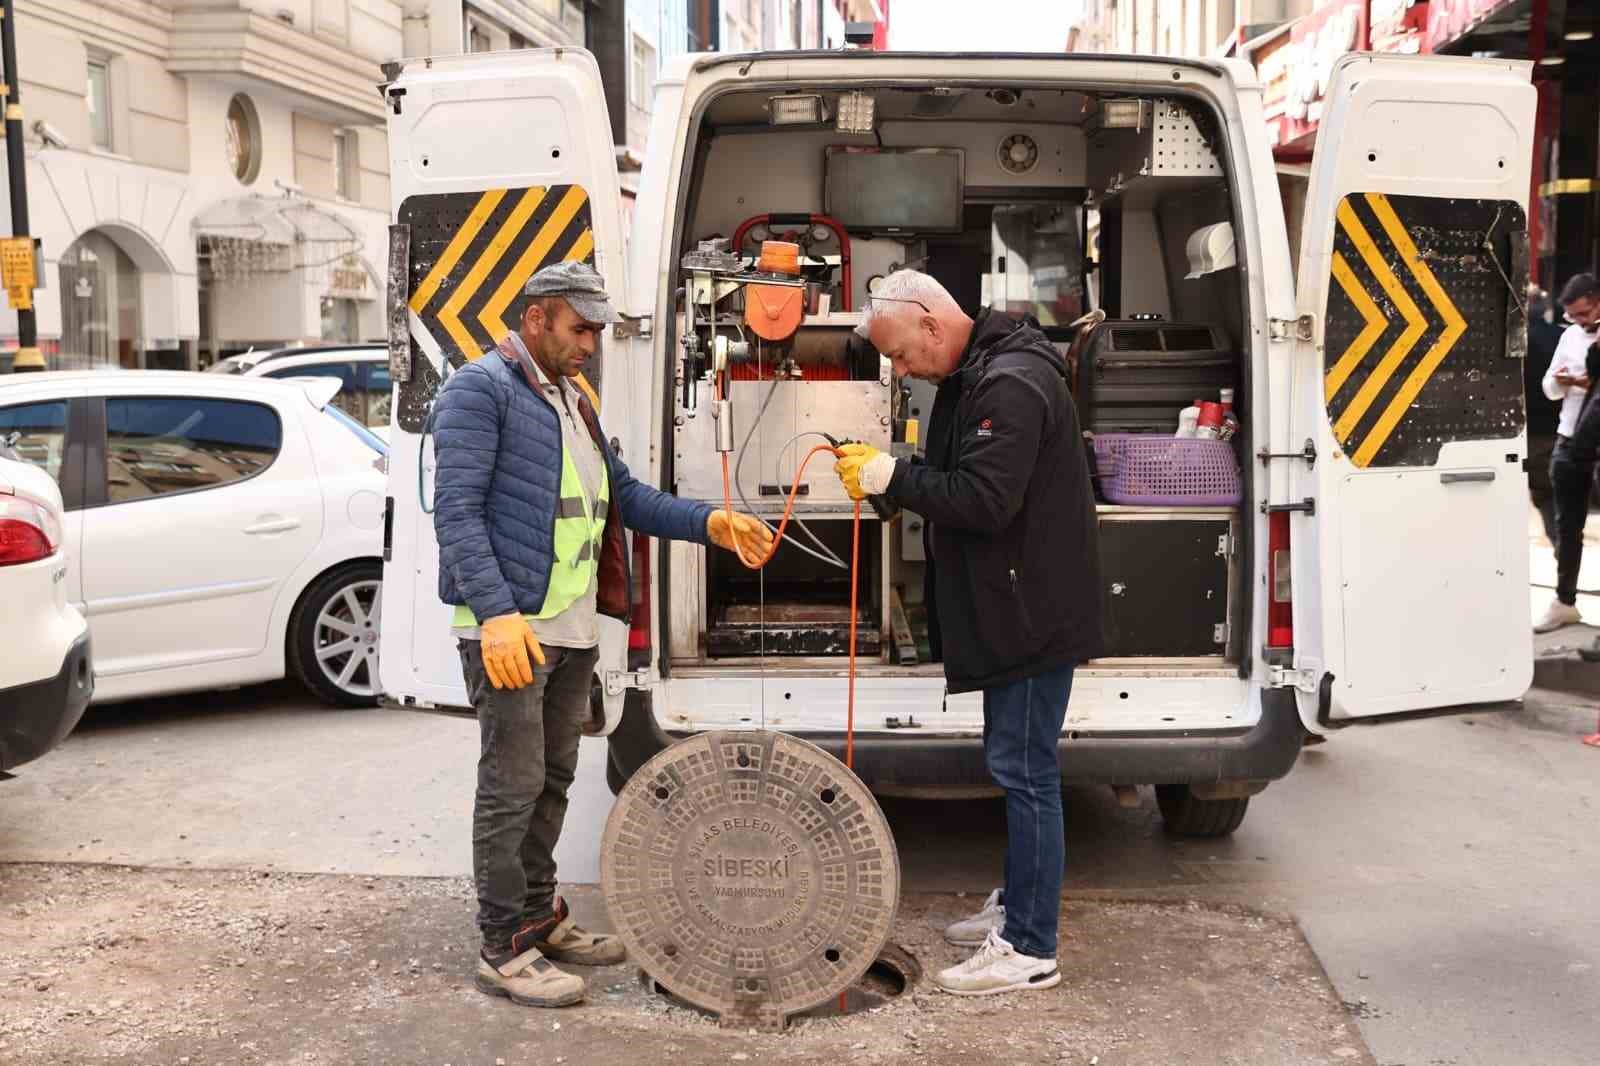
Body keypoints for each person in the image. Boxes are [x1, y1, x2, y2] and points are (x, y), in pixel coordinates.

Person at [431, 261, 772, 1008]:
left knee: (552, 781)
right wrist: (494, 615)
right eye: (579, 328)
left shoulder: (571, 399)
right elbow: (455, 513)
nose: (590, 344)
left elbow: (627, 498)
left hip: (571, 629)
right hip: (514, 631)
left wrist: (710, 522)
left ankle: (538, 916)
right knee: (511, 786)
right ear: (536, 318)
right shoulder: (476, 392)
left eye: (595, 331)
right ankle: (502, 946)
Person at [832, 269, 1104, 996]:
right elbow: (954, 473)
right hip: (1014, 603)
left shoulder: (1009, 382)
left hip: (1031, 611)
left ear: (930, 321)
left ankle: (1029, 948)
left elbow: (985, 499)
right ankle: (1018, 907)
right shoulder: (975, 373)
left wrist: (892, 474)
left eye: (899, 354)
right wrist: (894, 482)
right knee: (1015, 763)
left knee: (1026, 771)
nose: (898, 369)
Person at [1536, 273, 1600, 633]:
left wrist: (1587, 379)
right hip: (1570, 437)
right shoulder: (1569, 336)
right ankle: (1565, 600)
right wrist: (1561, 381)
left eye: (1585, 313)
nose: (1581, 321)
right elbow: (1548, 388)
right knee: (1567, 523)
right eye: (1574, 316)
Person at [1526, 286, 1563, 547]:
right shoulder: (1562, 336)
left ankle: (1561, 543)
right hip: (1562, 427)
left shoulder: (1517, 341)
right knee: (1558, 491)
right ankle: (1566, 543)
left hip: (1530, 430)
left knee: (1542, 493)